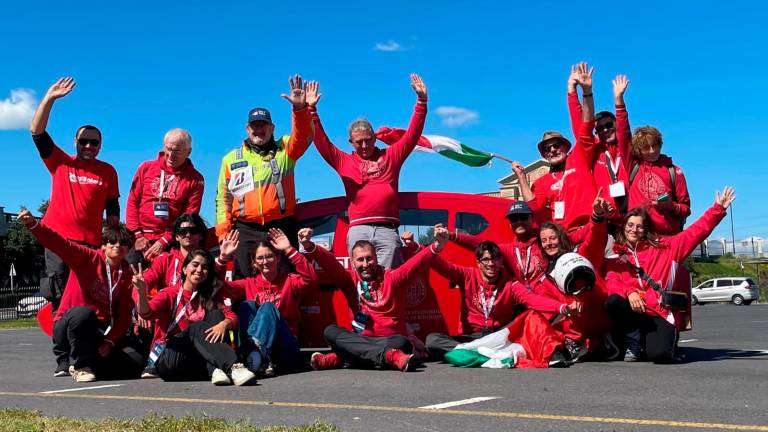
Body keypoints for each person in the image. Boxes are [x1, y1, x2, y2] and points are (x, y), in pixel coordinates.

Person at [307, 75, 428, 269]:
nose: (364, 145)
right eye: (358, 142)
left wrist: (421, 102)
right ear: (350, 143)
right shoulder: (344, 161)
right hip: (358, 229)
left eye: (368, 140)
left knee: (387, 283)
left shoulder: (391, 156)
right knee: (363, 284)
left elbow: (411, 135)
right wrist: (311, 110)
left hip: (387, 230)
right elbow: (321, 142)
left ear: (375, 138)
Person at [604, 187, 735, 363]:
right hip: (634, 311)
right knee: (613, 301)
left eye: (639, 226)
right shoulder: (615, 257)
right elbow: (612, 283)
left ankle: (668, 341)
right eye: (630, 225)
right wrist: (630, 292)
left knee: (659, 355)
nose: (634, 230)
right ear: (624, 227)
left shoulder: (665, 248)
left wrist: (717, 209)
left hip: (658, 310)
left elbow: (695, 233)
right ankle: (634, 342)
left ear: (646, 229)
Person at [29, 77, 120, 313]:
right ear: (75, 142)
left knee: (86, 298)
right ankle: (62, 347)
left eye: (94, 142)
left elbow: (112, 209)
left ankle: (84, 347)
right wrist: (49, 99)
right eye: (84, 141)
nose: (88, 146)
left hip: (90, 246)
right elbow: (37, 132)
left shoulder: (108, 171)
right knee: (59, 297)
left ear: (100, 145)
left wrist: (113, 242)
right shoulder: (60, 162)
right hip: (58, 241)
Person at [302, 225, 447, 372]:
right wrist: (309, 246)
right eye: (360, 260)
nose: (365, 264)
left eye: (369, 258)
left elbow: (416, 264)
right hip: (362, 339)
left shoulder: (392, 277)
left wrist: (436, 246)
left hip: (390, 341)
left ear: (376, 258)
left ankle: (338, 358)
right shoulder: (349, 281)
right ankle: (389, 357)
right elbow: (330, 264)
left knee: (402, 342)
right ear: (352, 263)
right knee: (331, 332)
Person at [17, 210, 140, 382]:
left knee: (135, 362)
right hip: (71, 325)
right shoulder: (87, 258)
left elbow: (125, 314)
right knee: (83, 314)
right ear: (103, 245)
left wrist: (110, 341)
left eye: (123, 242)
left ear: (128, 248)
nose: (117, 245)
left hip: (99, 330)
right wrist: (33, 224)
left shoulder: (126, 273)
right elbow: (59, 244)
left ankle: (85, 363)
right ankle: (79, 364)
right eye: (111, 241)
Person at [215, 75, 313, 279]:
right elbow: (223, 199)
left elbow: (304, 137)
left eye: (263, 125)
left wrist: (299, 109)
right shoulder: (230, 159)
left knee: (287, 282)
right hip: (244, 230)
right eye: (255, 126)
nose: (259, 130)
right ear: (247, 129)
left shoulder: (285, 149)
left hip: (281, 226)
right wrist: (223, 232)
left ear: (272, 128)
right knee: (244, 285)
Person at [425, 239, 581, 361]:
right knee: (432, 341)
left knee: (531, 319)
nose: (491, 264)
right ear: (478, 263)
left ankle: (471, 354)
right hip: (472, 337)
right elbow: (440, 265)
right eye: (485, 260)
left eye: (495, 259)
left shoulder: (510, 284)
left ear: (500, 261)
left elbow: (533, 300)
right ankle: (478, 352)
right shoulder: (466, 275)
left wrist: (562, 307)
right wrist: (429, 246)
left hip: (499, 336)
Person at [133, 249, 256, 386]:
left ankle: (215, 369)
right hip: (170, 357)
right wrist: (141, 293)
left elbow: (232, 316)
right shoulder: (170, 293)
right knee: (195, 328)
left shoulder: (208, 296)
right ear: (185, 269)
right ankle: (234, 366)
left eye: (204, 268)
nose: (199, 270)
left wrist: (225, 323)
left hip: (194, 361)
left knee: (217, 315)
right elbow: (146, 313)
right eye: (195, 265)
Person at [218, 228, 316, 377]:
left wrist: (289, 249)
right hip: (261, 353)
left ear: (278, 258)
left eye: (270, 256)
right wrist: (223, 258)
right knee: (246, 306)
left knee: (268, 307)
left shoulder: (290, 280)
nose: (265, 262)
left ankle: (253, 356)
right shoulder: (248, 283)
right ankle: (257, 358)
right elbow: (218, 288)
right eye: (260, 258)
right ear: (254, 262)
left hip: (285, 347)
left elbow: (311, 280)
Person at [535, 191, 613, 359]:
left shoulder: (581, 254)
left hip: (594, 313)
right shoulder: (545, 275)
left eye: (552, 238)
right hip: (570, 322)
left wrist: (598, 216)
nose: (549, 243)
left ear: (561, 238)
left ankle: (585, 341)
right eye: (544, 240)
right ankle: (575, 343)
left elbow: (595, 238)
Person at [525, 63, 599, 231]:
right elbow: (535, 207)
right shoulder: (542, 183)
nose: (552, 150)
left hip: (591, 229)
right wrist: (522, 176)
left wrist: (579, 92)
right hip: (563, 237)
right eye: (547, 149)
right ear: (544, 155)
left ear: (566, 146)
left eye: (556, 145)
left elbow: (585, 124)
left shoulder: (579, 157)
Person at [134, 213, 208, 378]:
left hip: (197, 318)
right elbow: (140, 285)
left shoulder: (207, 261)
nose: (188, 234)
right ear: (176, 236)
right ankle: (158, 356)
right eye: (183, 231)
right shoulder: (164, 259)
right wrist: (141, 304)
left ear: (200, 235)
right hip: (170, 323)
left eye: (193, 230)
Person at [126, 128, 204, 264]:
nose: (170, 155)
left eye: (177, 151)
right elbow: (133, 202)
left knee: (170, 279)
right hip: (139, 238)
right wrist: (138, 236)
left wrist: (164, 241)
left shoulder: (195, 179)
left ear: (188, 152)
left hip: (170, 240)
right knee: (130, 274)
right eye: (168, 149)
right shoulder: (146, 167)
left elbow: (189, 215)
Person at [567, 66, 632, 228]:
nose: (605, 130)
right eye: (600, 129)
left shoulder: (628, 149)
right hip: (606, 219)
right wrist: (572, 91)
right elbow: (581, 126)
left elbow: (625, 131)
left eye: (609, 125)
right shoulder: (595, 151)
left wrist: (619, 101)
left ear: (616, 124)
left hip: (631, 218)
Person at [627, 125, 691, 236]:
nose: (652, 151)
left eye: (655, 146)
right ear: (638, 150)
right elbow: (623, 135)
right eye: (646, 148)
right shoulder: (632, 167)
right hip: (638, 237)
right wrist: (620, 107)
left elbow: (686, 209)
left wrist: (671, 206)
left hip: (666, 237)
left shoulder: (674, 171)